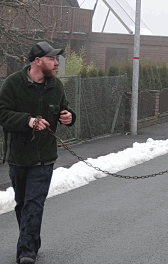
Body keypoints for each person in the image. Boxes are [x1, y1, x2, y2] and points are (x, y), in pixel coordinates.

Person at [0, 41, 76, 264]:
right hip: (19, 156)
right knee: (22, 203)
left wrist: (69, 116)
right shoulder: (13, 84)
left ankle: (26, 251)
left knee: (34, 203)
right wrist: (28, 121)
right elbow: (2, 113)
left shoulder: (56, 86)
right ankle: (33, 240)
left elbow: (66, 108)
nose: (56, 63)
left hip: (44, 157)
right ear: (37, 61)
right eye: (52, 59)